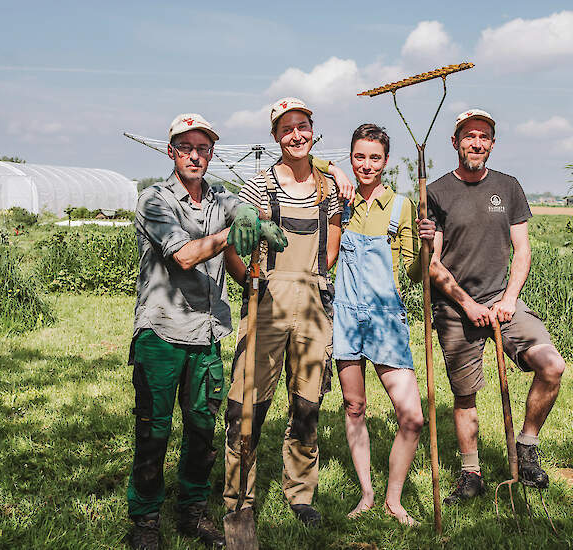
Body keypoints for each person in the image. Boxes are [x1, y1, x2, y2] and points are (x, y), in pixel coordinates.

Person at [125, 113, 286, 550]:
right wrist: (233, 233)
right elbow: (184, 256)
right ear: (171, 151)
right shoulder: (154, 200)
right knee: (153, 430)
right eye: (185, 148)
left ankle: (192, 513)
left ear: (211, 152)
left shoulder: (219, 197)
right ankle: (145, 520)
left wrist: (257, 227)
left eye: (203, 148)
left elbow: (246, 214)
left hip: (206, 333)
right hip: (161, 331)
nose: (195, 156)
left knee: (202, 432)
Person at [426, 109, 567, 504]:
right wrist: (467, 304)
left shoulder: (508, 187)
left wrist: (507, 299)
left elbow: (522, 250)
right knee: (465, 394)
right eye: (469, 136)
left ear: (492, 143)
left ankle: (526, 448)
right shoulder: (436, 193)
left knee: (552, 365)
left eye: (484, 136)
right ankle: (471, 474)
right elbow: (432, 263)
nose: (477, 143)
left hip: (502, 300)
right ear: (455, 142)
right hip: (457, 307)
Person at [222, 97, 346, 528]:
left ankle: (300, 494)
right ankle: (239, 496)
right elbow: (234, 250)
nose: (297, 135)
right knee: (245, 408)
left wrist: (311, 283)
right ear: (275, 136)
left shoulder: (328, 187)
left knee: (307, 405)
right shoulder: (258, 187)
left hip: (313, 303)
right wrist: (252, 284)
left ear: (313, 131)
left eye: (304, 126)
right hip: (267, 304)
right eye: (287, 128)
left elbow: (329, 248)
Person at [333, 124, 435, 525]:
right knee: (354, 407)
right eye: (358, 157)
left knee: (412, 417)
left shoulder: (401, 207)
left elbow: (414, 273)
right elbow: (306, 158)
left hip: (384, 317)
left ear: (386, 161)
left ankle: (395, 499)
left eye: (375, 157)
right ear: (350, 157)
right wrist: (336, 171)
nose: (366, 165)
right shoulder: (338, 197)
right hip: (345, 314)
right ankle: (367, 494)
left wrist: (428, 247)